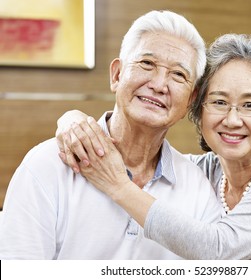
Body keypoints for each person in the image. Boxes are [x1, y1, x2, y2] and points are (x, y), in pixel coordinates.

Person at [55, 33, 251, 259]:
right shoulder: (199, 173)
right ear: (198, 108)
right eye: (219, 102)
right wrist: (72, 120)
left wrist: (119, 186)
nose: (232, 120)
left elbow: (220, 249)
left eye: (249, 105)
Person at [0, 10, 223, 259]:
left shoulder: (198, 188)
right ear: (117, 75)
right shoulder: (46, 165)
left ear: (191, 101)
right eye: (147, 64)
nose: (159, 85)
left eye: (178, 75)